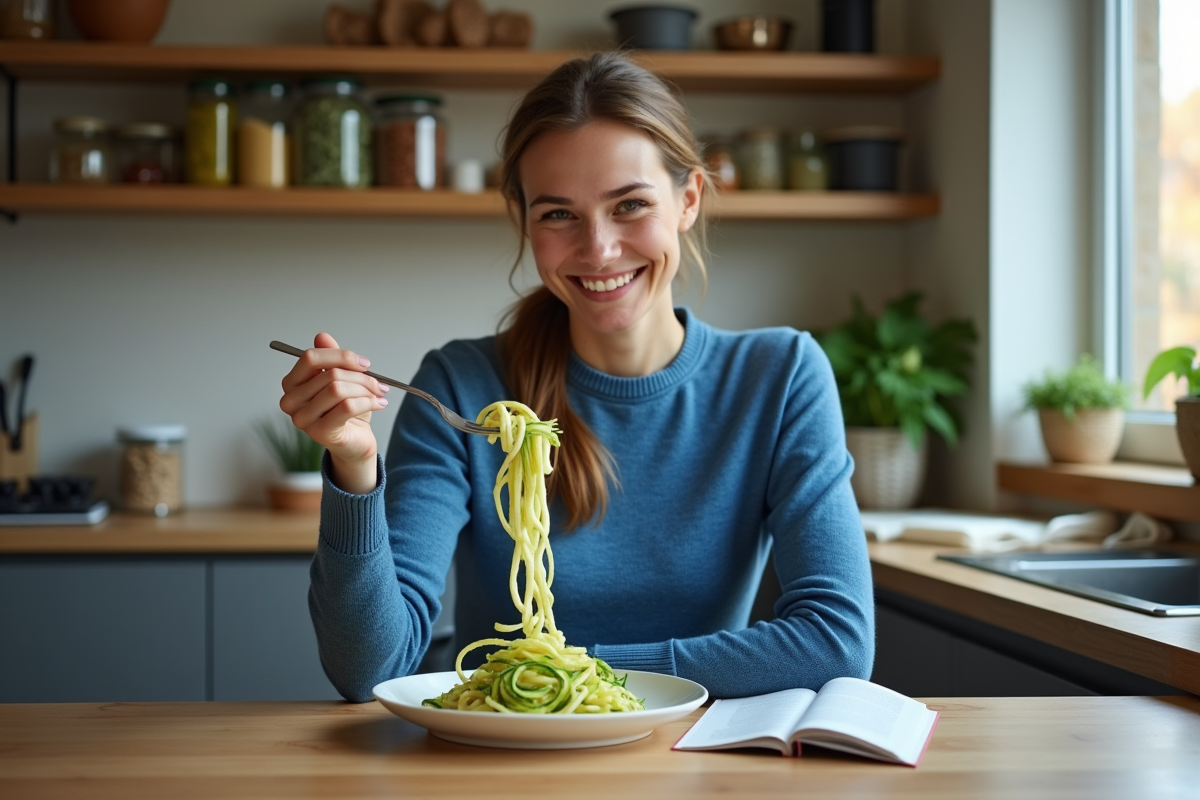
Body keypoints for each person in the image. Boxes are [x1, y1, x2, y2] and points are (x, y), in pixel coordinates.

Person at [279, 52, 874, 703]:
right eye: (559, 214)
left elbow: (836, 640)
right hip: (504, 751)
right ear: (524, 220)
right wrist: (353, 466)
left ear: (688, 199)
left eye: (630, 205)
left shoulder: (780, 377)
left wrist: (554, 675)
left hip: (693, 759)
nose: (598, 250)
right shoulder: (461, 385)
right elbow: (370, 668)